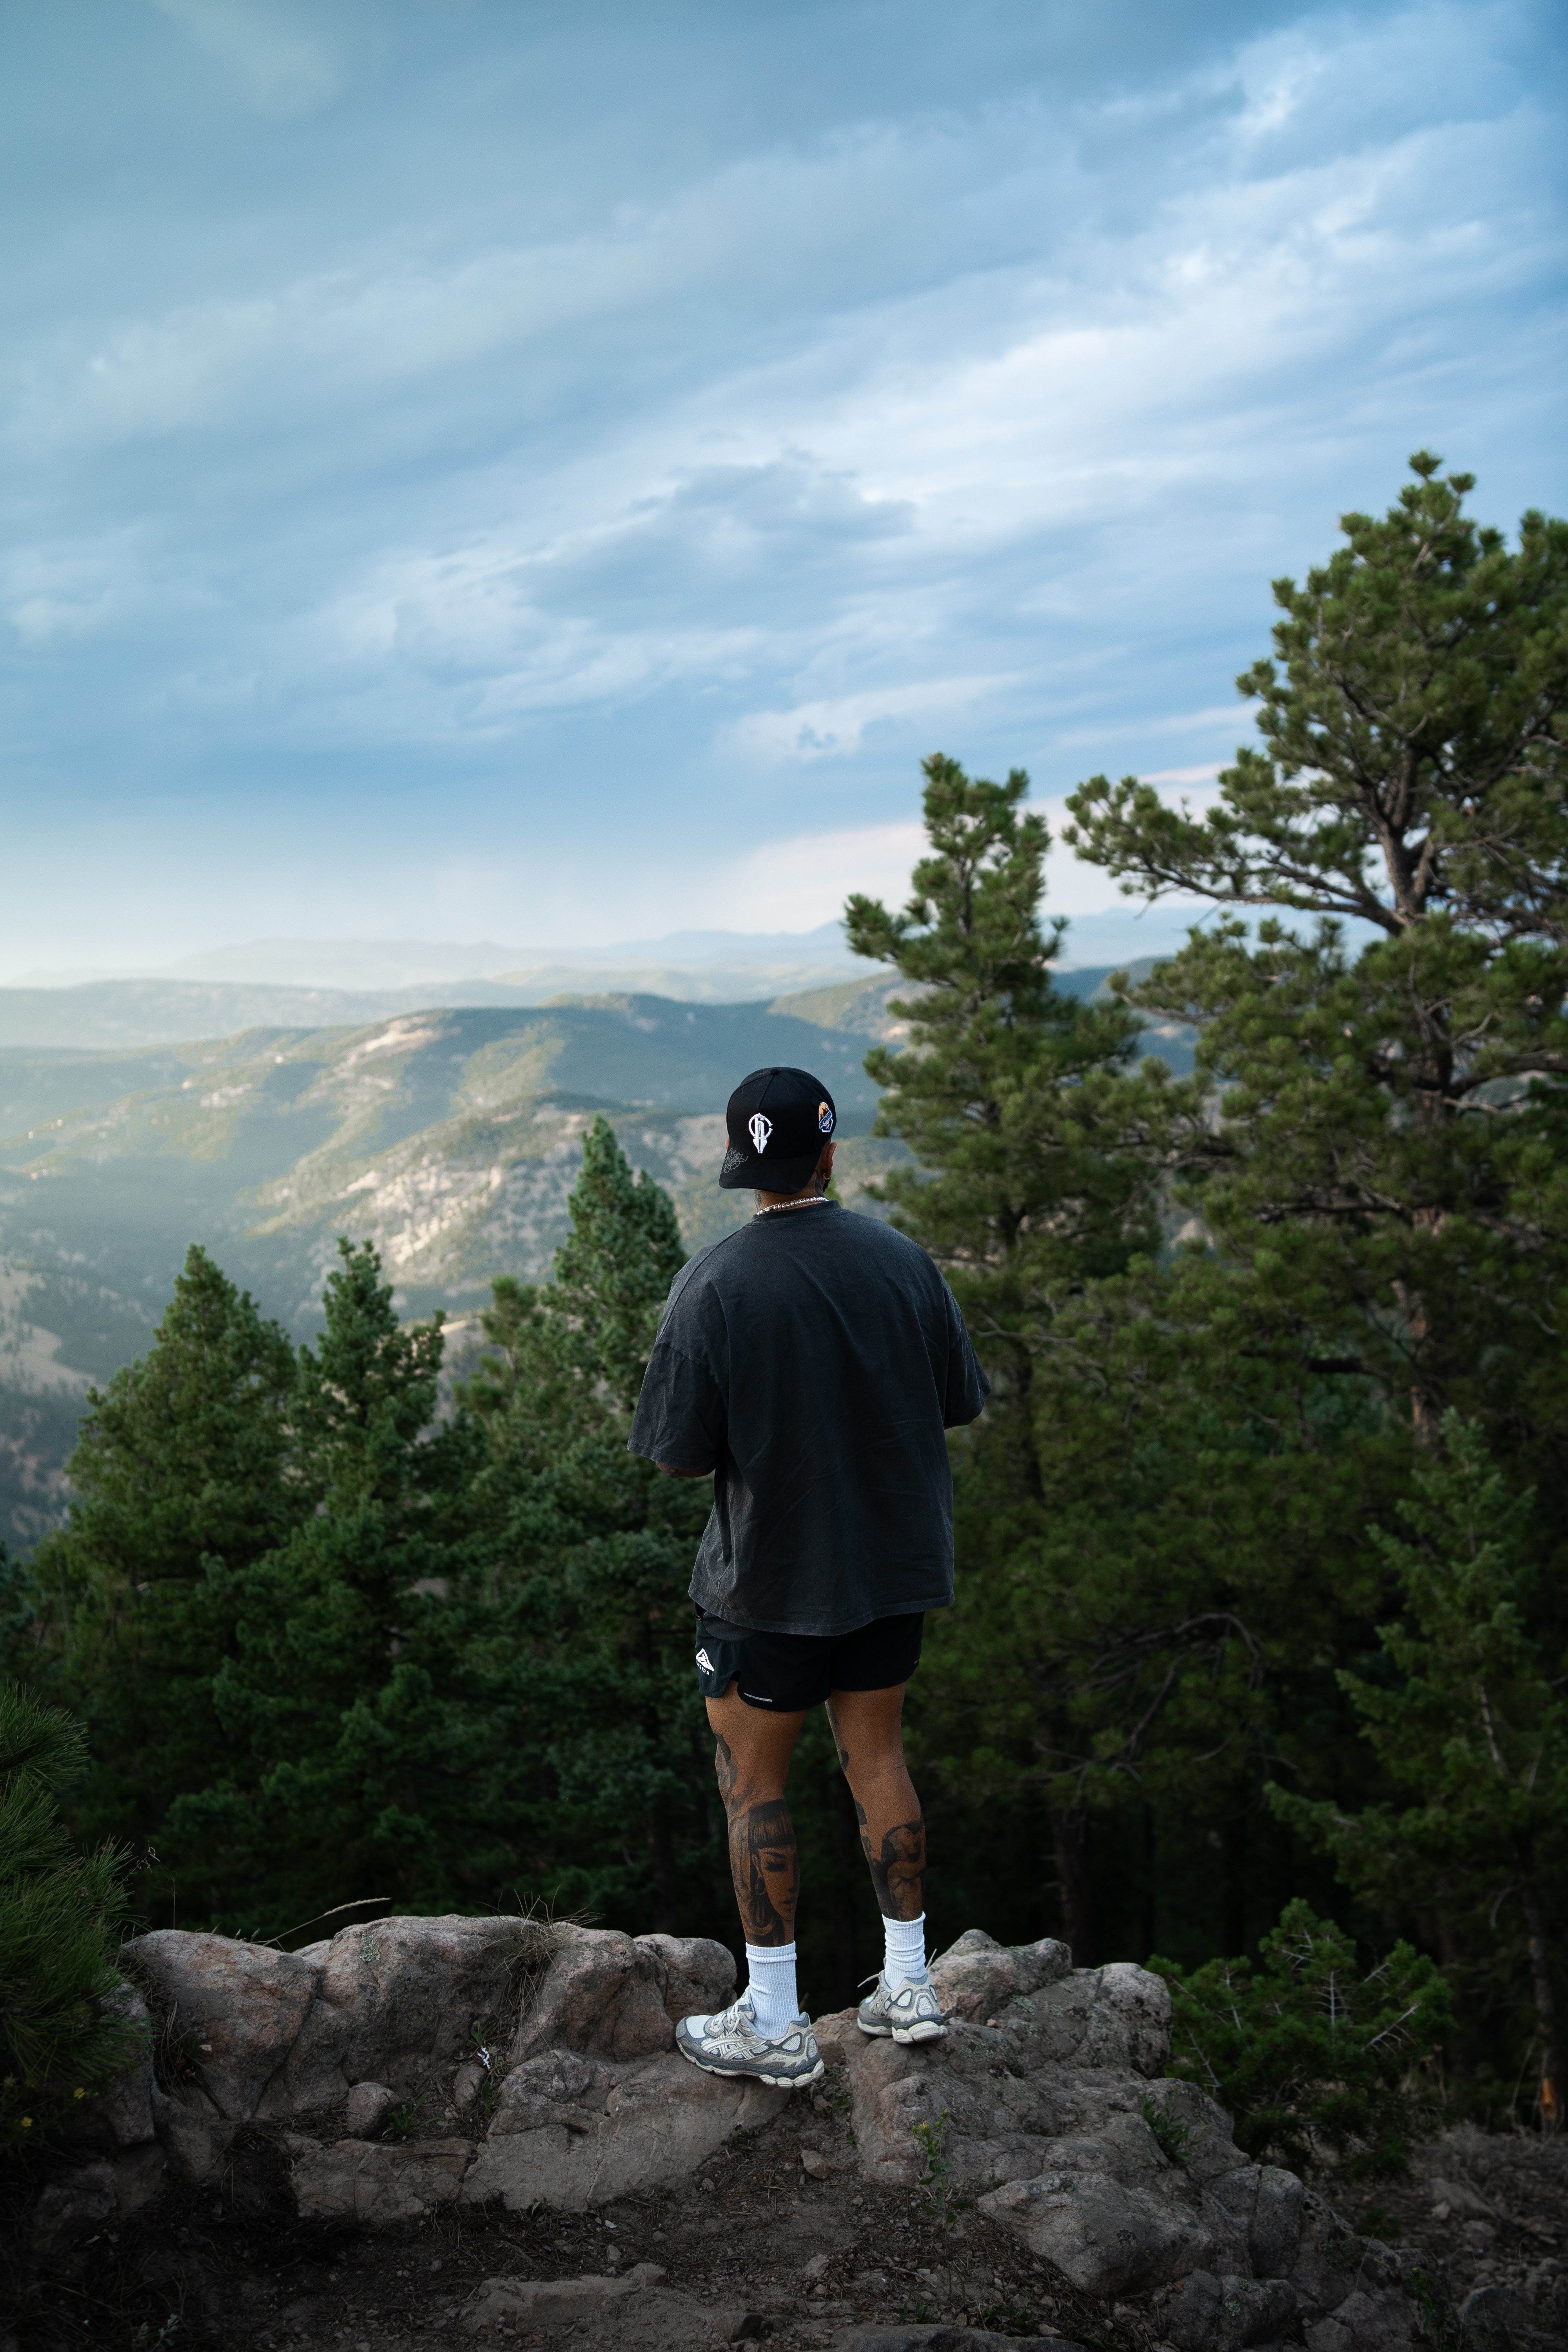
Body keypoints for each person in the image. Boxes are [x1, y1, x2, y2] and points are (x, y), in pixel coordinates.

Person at [628, 1064, 989, 2089]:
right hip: (891, 1571)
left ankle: (778, 2022)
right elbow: (958, 1400)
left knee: (755, 1787)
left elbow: (678, 1454)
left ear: (744, 1167)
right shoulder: (905, 1263)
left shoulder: (713, 1284)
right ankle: (910, 1988)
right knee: (879, 1760)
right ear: (832, 1153)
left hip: (764, 1586)